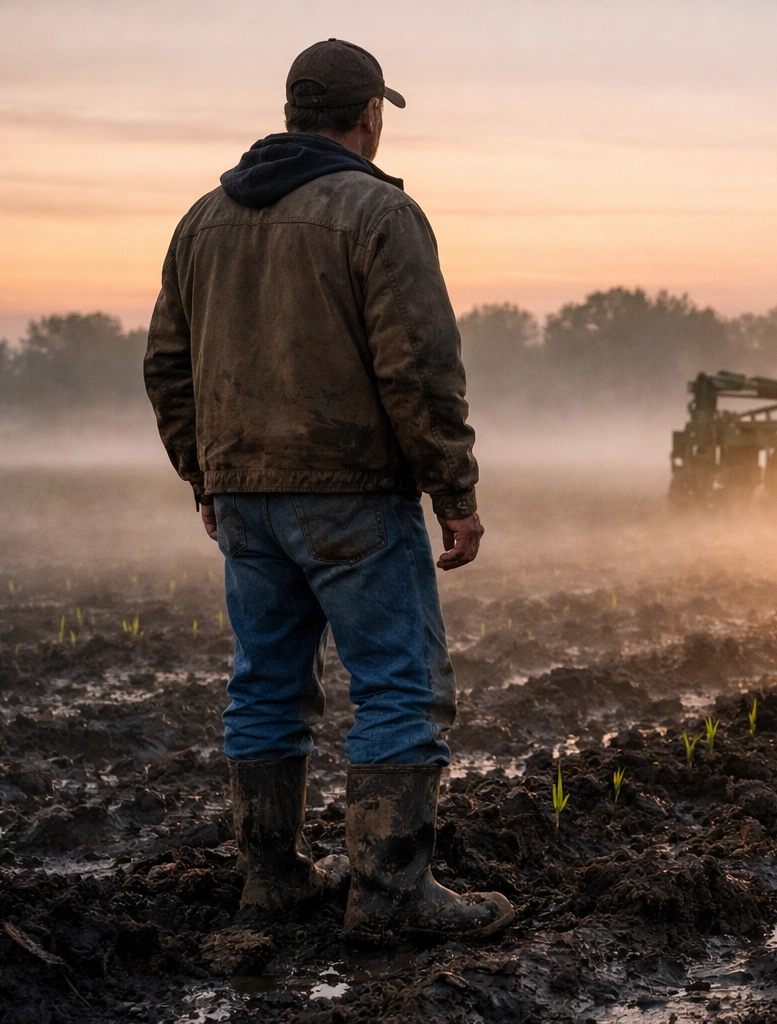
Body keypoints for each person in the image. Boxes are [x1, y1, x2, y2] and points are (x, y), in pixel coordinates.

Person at [144, 38, 513, 941]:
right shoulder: (379, 213)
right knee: (400, 687)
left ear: (291, 112)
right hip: (350, 495)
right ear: (370, 116)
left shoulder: (201, 220)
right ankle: (389, 896)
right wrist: (454, 492)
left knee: (266, 688)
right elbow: (418, 367)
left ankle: (270, 882)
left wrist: (207, 475)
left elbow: (166, 367)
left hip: (245, 499)